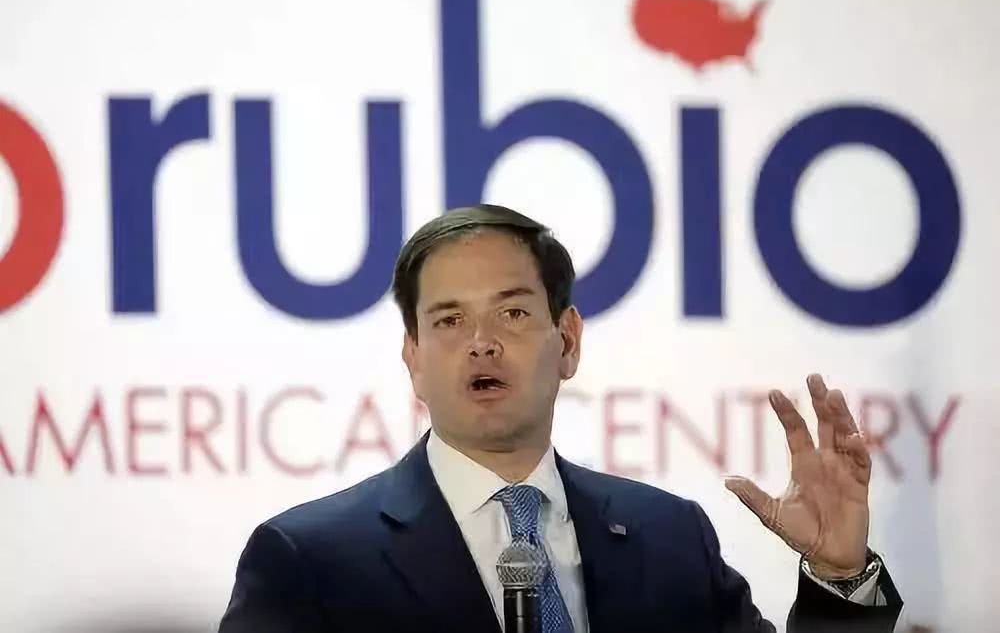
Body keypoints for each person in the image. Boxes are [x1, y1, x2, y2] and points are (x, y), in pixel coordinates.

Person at [219, 204, 903, 632]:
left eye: (513, 312)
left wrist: (838, 576)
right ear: (414, 358)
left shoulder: (670, 539)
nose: (481, 342)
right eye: (449, 320)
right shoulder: (309, 560)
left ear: (568, 341)